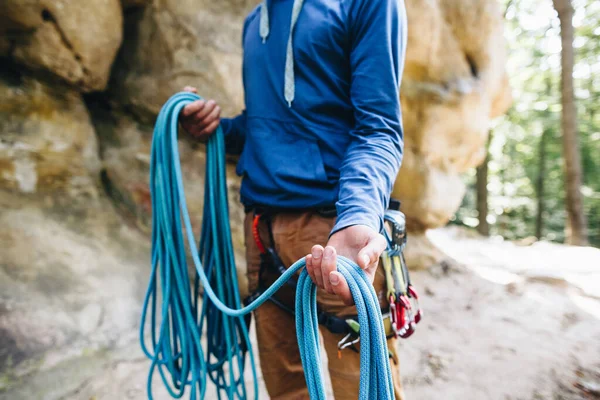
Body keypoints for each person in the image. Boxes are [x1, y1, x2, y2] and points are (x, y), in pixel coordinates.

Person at [180, 0, 407, 398]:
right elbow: (269, 125)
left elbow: (379, 128)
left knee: (364, 387)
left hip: (332, 228)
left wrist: (357, 216)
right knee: (285, 388)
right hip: (262, 232)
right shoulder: (257, 19)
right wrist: (216, 130)